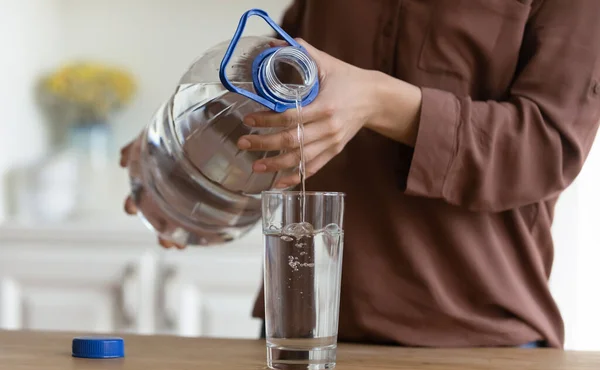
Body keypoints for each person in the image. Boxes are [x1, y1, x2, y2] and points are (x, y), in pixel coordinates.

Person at [121, 0, 600, 348]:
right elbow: (282, 90)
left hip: (476, 340)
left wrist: (378, 99)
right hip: (302, 334)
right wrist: (185, 155)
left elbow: (548, 148)